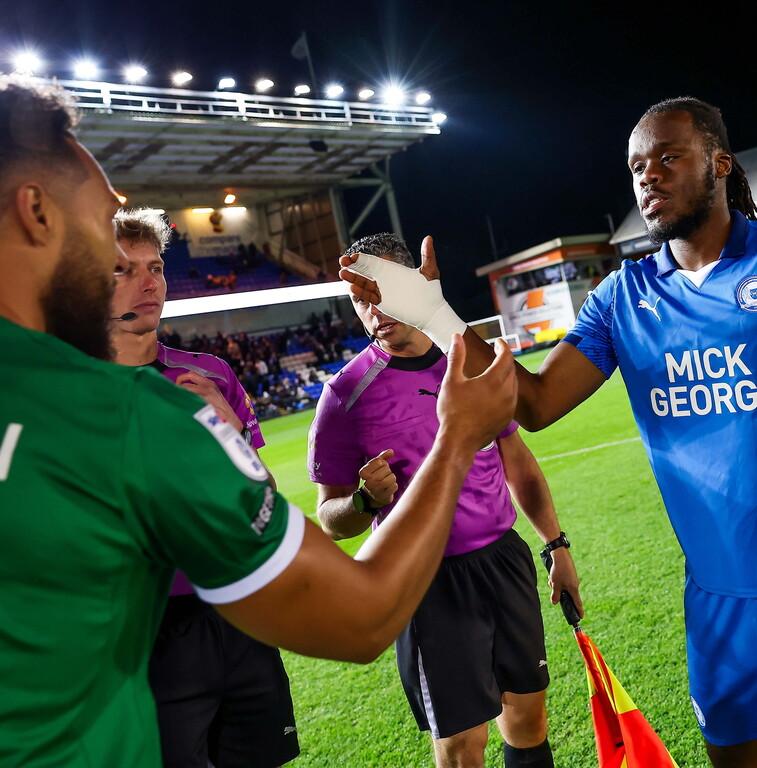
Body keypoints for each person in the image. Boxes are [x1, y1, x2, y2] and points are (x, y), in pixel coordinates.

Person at [339, 97, 757, 768]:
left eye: (668, 158)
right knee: (734, 757)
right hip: (716, 597)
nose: (648, 176)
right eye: (636, 168)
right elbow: (534, 403)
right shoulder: (622, 299)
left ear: (719, 164)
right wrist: (434, 312)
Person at [0, 76, 517, 767]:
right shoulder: (127, 414)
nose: (120, 264)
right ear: (36, 212)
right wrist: (455, 439)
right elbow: (361, 617)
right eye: (103, 224)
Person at [308, 233, 580, 768]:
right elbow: (330, 518)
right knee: (462, 746)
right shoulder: (344, 395)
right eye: (360, 300)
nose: (373, 310)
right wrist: (363, 501)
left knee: (528, 718)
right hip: (426, 580)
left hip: (502, 561)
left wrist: (556, 544)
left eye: (381, 292)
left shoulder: (470, 360)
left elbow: (517, 460)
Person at [110, 209, 299, 768]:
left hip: (240, 609)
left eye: (156, 267)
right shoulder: (72, 394)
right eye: (124, 270)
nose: (149, 283)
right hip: (142, 628)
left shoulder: (210, 375)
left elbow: (265, 499)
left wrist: (232, 437)